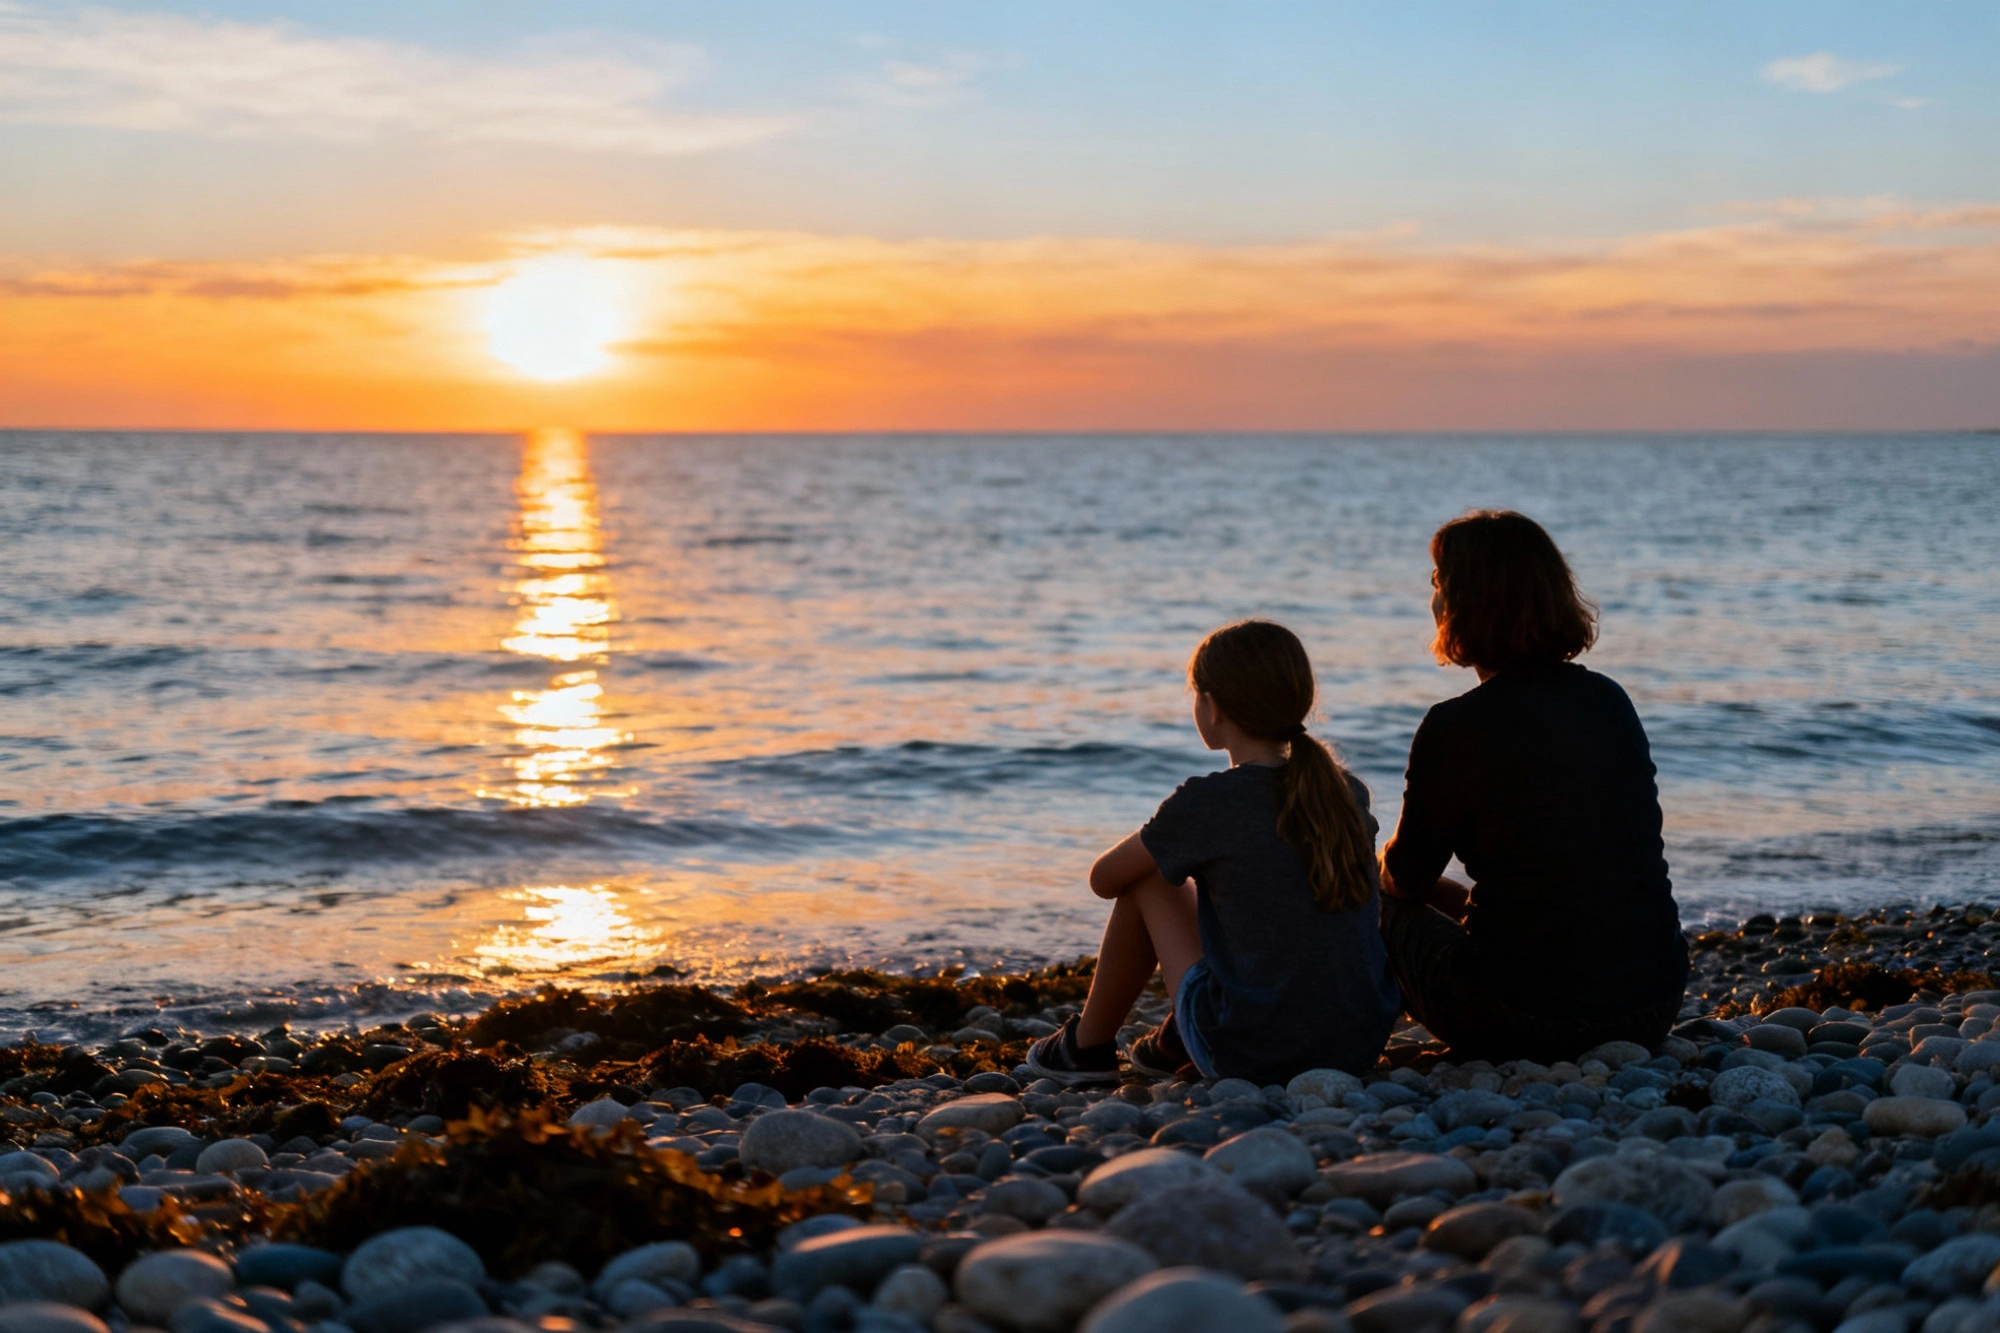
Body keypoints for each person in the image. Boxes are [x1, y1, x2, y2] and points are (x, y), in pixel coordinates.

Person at [1025, 619, 1400, 1085]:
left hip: (1248, 1053)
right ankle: (1172, 1043)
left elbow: (1103, 879)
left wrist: (1167, 840)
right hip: (1356, 1046)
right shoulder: (1345, 792)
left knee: (1147, 878)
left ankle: (1086, 1046)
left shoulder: (1209, 802)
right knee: (1255, 890)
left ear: (1213, 707)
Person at [1379, 510, 1688, 1063]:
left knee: (1372, 902)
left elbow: (1406, 881)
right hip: (1651, 1004)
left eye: (1438, 585)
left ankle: (1338, 1042)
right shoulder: (1609, 701)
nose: (1433, 601)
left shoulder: (1455, 727)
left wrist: (1370, 866)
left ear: (1463, 603)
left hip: (1522, 1016)